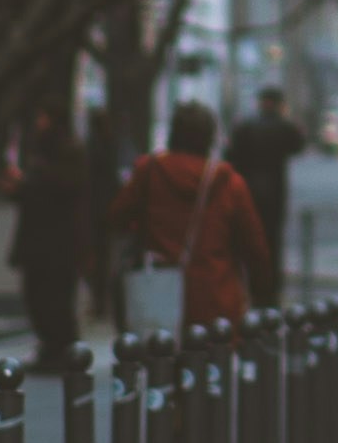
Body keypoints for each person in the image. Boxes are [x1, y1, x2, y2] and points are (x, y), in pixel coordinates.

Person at [113, 103, 271, 331]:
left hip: (158, 295)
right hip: (215, 300)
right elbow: (254, 246)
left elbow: (117, 217)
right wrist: (261, 289)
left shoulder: (149, 172)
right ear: (209, 138)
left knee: (159, 360)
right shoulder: (228, 183)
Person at [9, 103, 88, 374]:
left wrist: (28, 183)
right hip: (41, 240)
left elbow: (63, 189)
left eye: (44, 116)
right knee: (38, 296)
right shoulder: (41, 153)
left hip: (57, 242)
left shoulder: (66, 153)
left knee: (54, 298)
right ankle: (51, 347)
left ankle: (61, 348)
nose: (39, 122)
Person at [223, 96, 305, 306]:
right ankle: (269, 287)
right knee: (272, 241)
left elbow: (230, 155)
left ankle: (250, 283)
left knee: (247, 238)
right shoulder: (282, 127)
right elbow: (299, 144)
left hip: (249, 190)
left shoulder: (246, 127)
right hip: (274, 191)